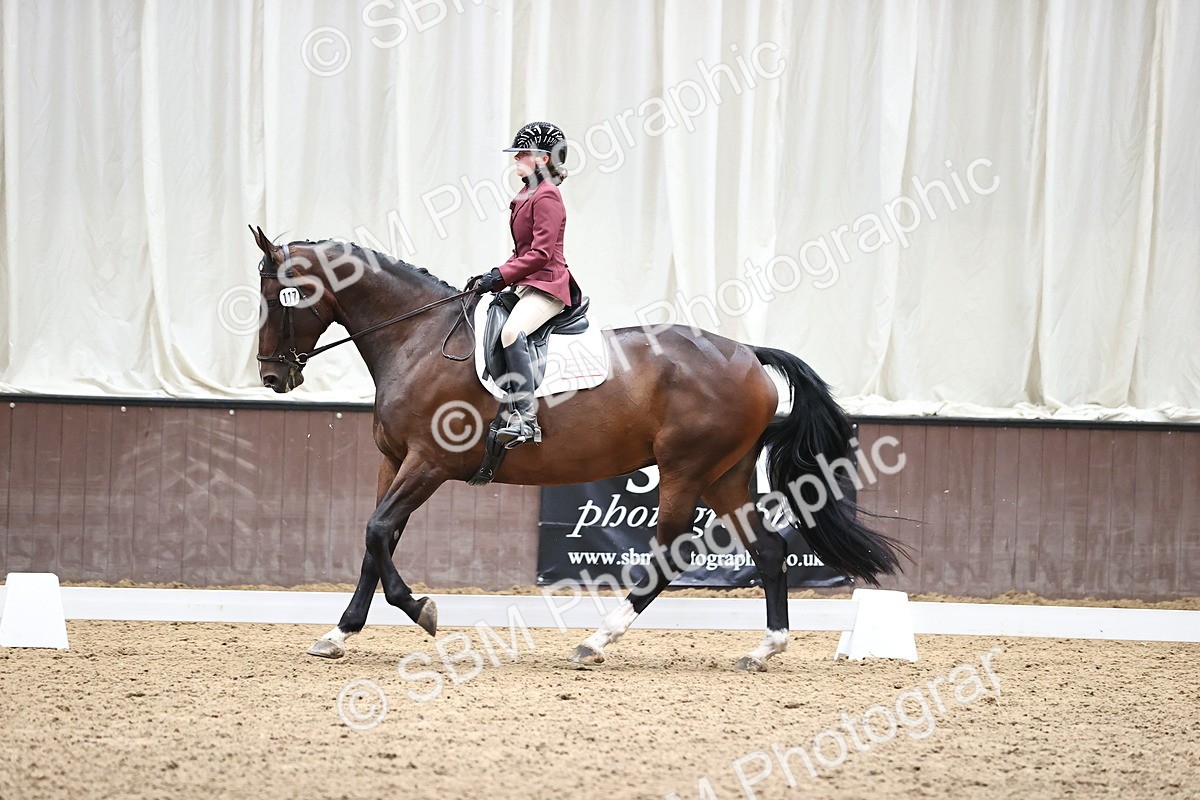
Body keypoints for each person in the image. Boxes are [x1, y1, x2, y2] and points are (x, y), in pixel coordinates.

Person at [470, 121, 580, 448]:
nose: (516, 157)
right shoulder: (525, 194)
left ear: (543, 159)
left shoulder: (547, 196)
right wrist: (495, 276)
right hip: (527, 285)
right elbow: (522, 251)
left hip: (548, 286)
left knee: (511, 332)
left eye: (523, 152)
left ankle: (525, 418)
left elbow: (542, 253)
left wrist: (501, 275)